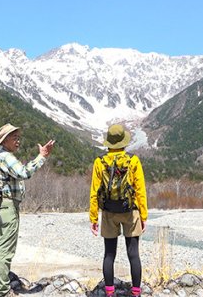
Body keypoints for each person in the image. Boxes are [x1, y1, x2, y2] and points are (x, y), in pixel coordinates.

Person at [0, 123, 55, 297]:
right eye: (15, 138)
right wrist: (41, 157)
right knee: (4, 250)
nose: (18, 141)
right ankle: (2, 291)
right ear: (5, 140)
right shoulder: (6, 157)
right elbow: (23, 173)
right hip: (7, 207)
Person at [89, 124, 148, 297]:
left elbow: (94, 191)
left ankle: (109, 292)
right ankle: (136, 293)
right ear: (124, 142)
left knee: (109, 253)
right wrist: (143, 215)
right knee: (133, 254)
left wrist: (93, 218)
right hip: (130, 212)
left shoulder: (100, 161)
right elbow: (140, 191)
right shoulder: (133, 160)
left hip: (108, 212)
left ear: (109, 142)